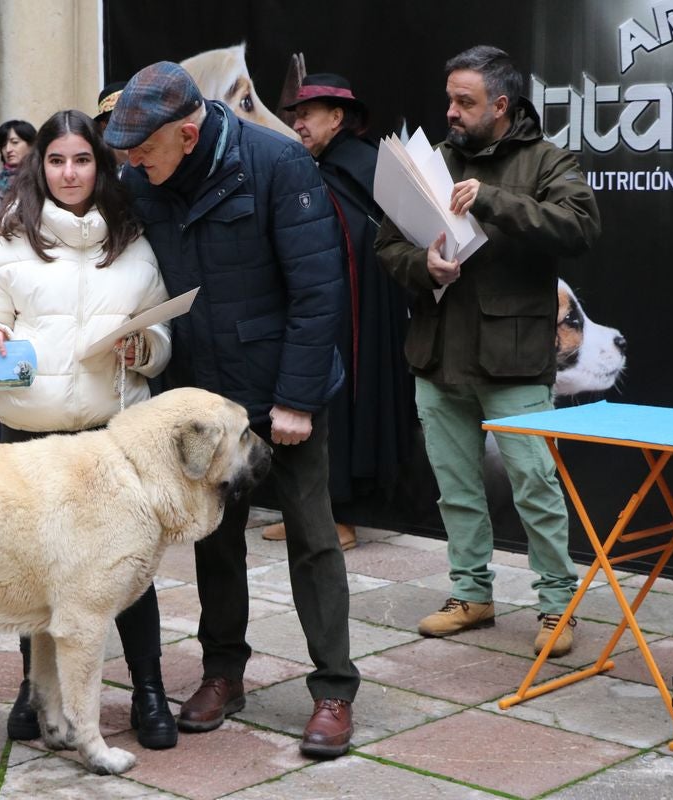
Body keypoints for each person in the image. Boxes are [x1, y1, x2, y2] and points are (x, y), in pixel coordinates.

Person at [104, 61, 358, 759]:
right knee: (214, 541)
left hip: (283, 390)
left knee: (311, 537)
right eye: (124, 153)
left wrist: (297, 400)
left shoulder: (276, 163)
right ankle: (222, 674)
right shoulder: (141, 177)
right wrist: (11, 227)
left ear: (188, 135)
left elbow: (318, 291)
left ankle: (334, 689)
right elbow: (90, 229)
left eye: (143, 151)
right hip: (200, 395)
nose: (130, 164)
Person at [0, 109, 177, 750]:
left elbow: (160, 330)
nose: (69, 172)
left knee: (130, 574)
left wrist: (145, 349)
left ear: (100, 166)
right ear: (37, 166)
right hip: (31, 438)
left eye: (82, 159)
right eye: (57, 160)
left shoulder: (132, 242)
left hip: (113, 438)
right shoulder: (11, 244)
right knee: (37, 573)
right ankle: (37, 693)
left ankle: (149, 692)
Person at [375, 45, 601, 657]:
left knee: (535, 485)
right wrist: (422, 265)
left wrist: (492, 198)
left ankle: (558, 606)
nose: (450, 111)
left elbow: (580, 228)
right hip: (437, 353)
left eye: (464, 102)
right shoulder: (431, 161)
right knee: (455, 488)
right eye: (449, 98)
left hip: (515, 358)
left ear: (500, 106)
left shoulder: (548, 159)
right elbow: (387, 245)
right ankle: (472, 593)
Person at [263, 72, 414, 552]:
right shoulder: (314, 167)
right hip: (319, 310)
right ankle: (310, 510)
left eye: (307, 114)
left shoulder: (365, 164)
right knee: (312, 400)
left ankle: (342, 515)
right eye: (297, 115)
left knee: (348, 406)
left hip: (360, 316)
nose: (299, 124)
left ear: (337, 117)